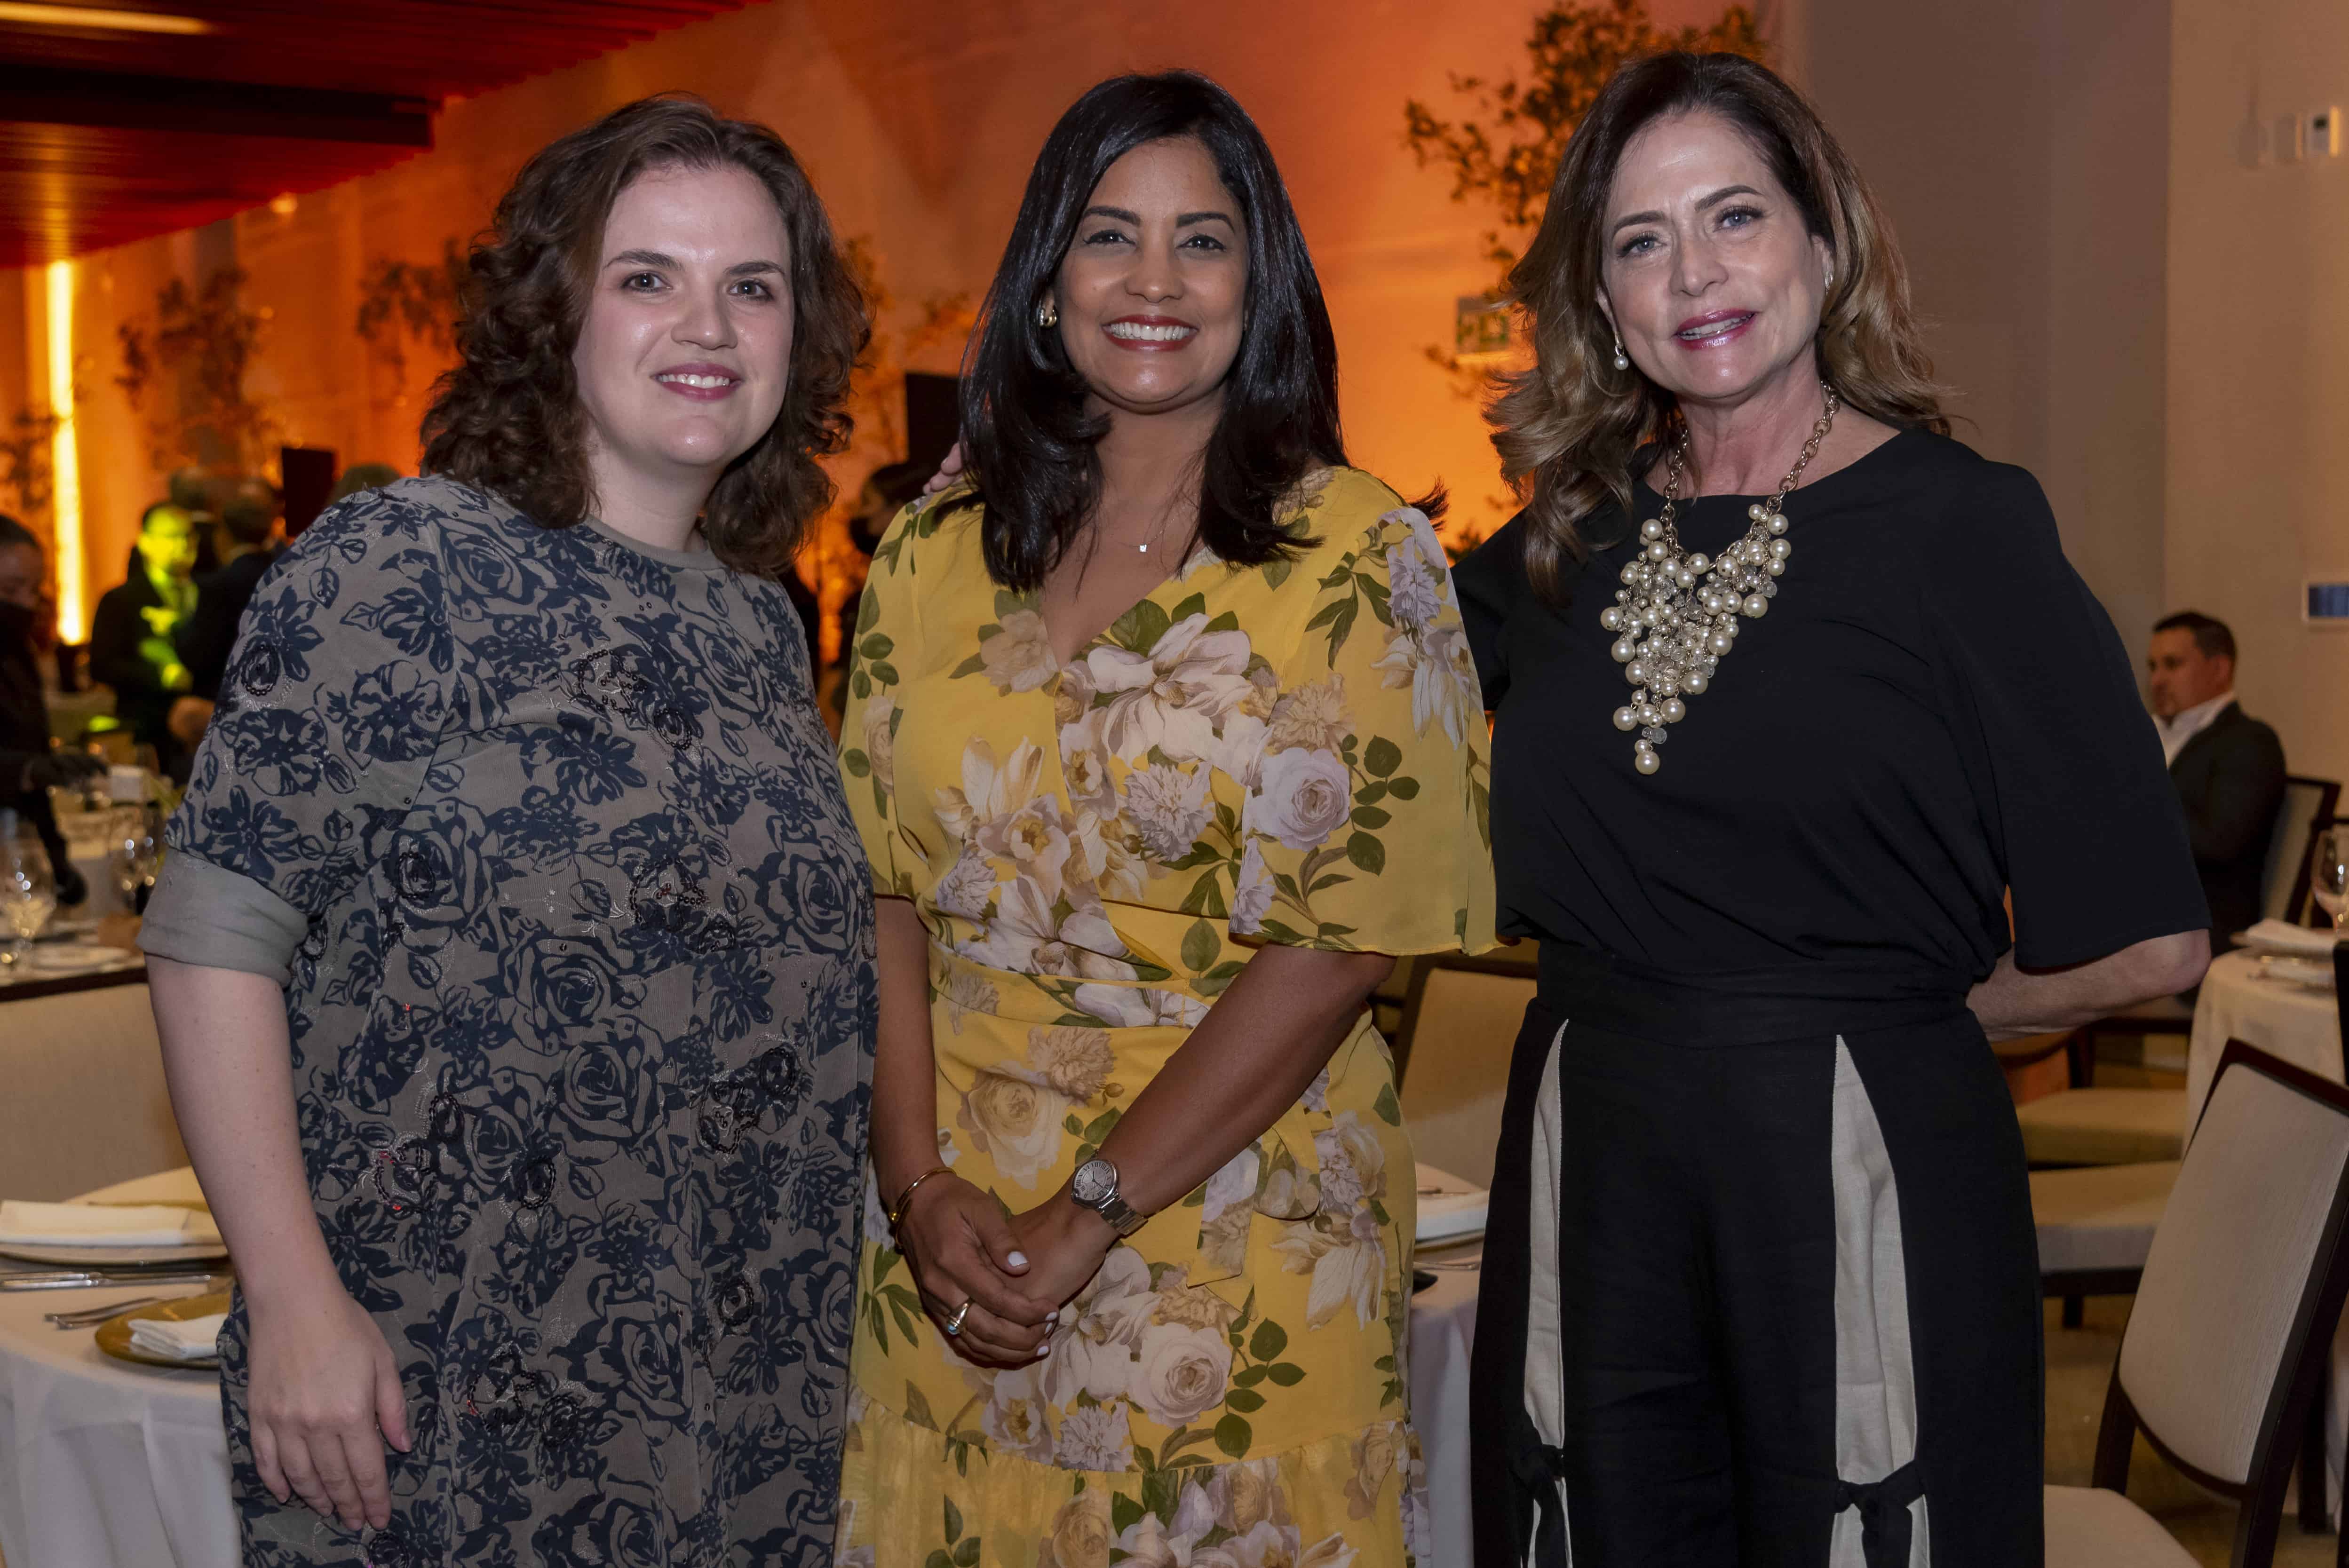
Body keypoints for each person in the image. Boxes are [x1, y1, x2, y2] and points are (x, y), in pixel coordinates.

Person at [1450, 54, 2209, 1567]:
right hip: (1588, 1166)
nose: (1695, 272)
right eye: (1640, 239)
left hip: (1857, 1175)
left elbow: (2150, 945)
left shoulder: (1959, 525)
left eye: (1732, 215)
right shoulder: (1556, 546)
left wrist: (1887, 1021)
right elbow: (1320, 654)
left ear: (1821, 239)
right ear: (1602, 299)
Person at [138, 93, 875, 1563]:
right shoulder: (399, 564)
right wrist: (288, 1296)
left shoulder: (754, 622)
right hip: (451, 1364)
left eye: (753, 285)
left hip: (740, 1360)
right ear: (556, 313)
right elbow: (216, 932)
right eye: (646, 275)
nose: (706, 324)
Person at [833, 71, 1492, 1567]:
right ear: (1043, 280)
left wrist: (1088, 1209)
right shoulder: (929, 553)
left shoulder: (1357, 556)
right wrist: (915, 1184)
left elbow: (1341, 944)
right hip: (948, 1232)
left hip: (1233, 1232)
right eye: (1105, 235)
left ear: (1259, 283)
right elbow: (877, 889)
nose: (1150, 280)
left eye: (1201, 240)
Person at [2148, 610, 2286, 943]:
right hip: (2142, 921)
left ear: (2220, 669)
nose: (2157, 680)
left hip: (2198, 932)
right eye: (2152, 667)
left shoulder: (2249, 741)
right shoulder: (2144, 735)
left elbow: (2219, 842)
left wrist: (2124, 816)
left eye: (2172, 664)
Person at [0, 515, 102, 902]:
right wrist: (27, 769)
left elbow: (31, 745)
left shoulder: (18, 653)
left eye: (34, 589)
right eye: (12, 589)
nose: (27, 603)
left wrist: (57, 861)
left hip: (18, 848)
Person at [87, 501, 199, 777]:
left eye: (188, 536)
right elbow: (103, 665)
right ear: (146, 543)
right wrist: (161, 676)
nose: (182, 545)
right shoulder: (120, 600)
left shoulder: (210, 594)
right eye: (171, 537)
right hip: (146, 731)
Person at [177, 477, 285, 714]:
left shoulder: (218, 586)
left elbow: (199, 655)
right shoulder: (287, 578)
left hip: (226, 703)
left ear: (224, 535)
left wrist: (177, 628)